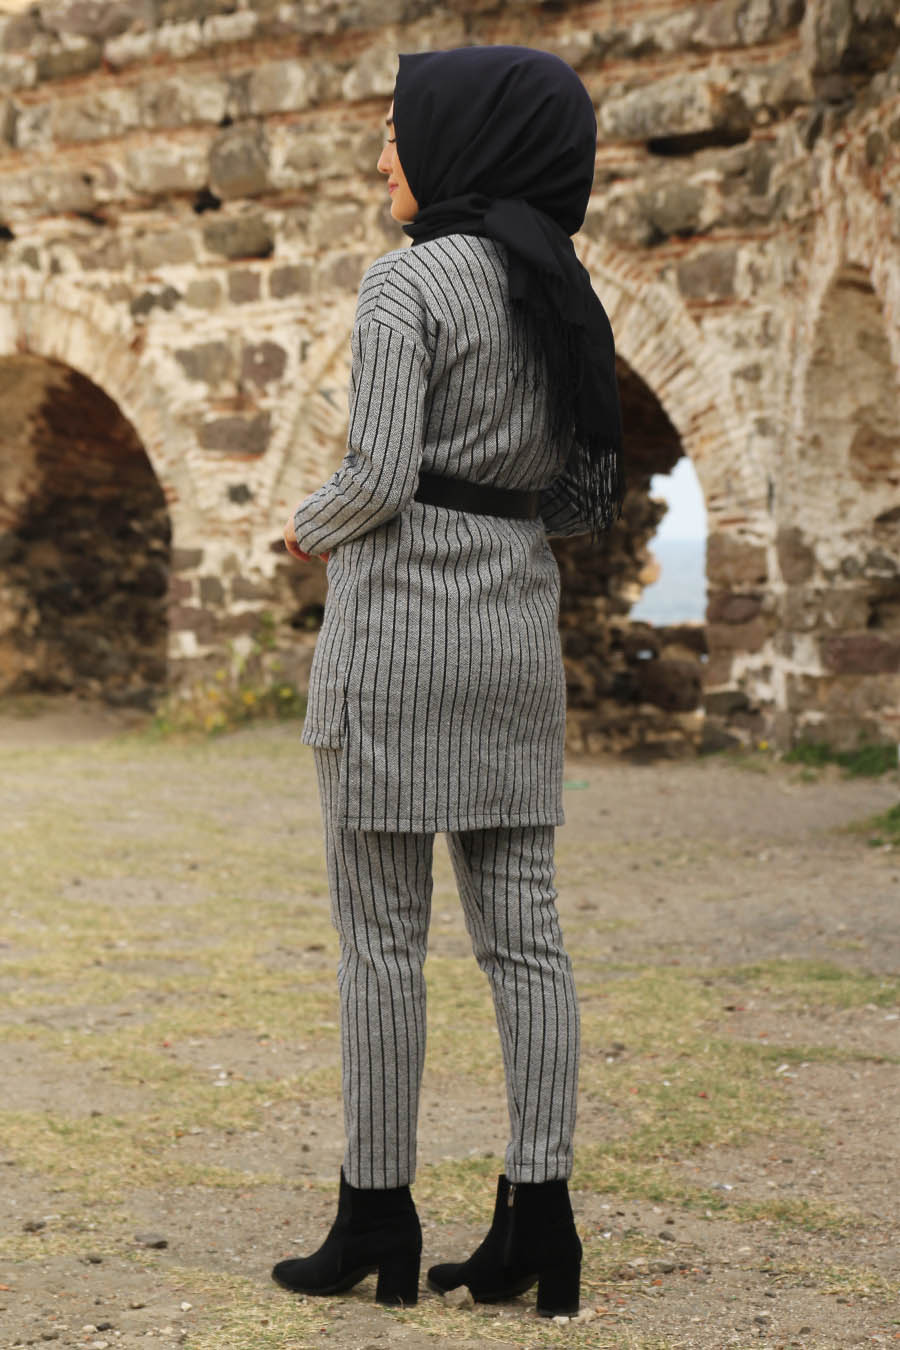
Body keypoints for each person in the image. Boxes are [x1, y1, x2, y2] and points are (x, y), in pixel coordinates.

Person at [273, 44, 625, 1318]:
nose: (381, 152)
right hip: (514, 645)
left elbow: (373, 478)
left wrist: (304, 528)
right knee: (525, 940)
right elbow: (584, 493)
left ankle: (378, 1212)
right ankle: (542, 1223)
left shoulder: (405, 283)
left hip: (397, 651)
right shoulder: (554, 287)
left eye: (395, 130)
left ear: (460, 143)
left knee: (381, 944)